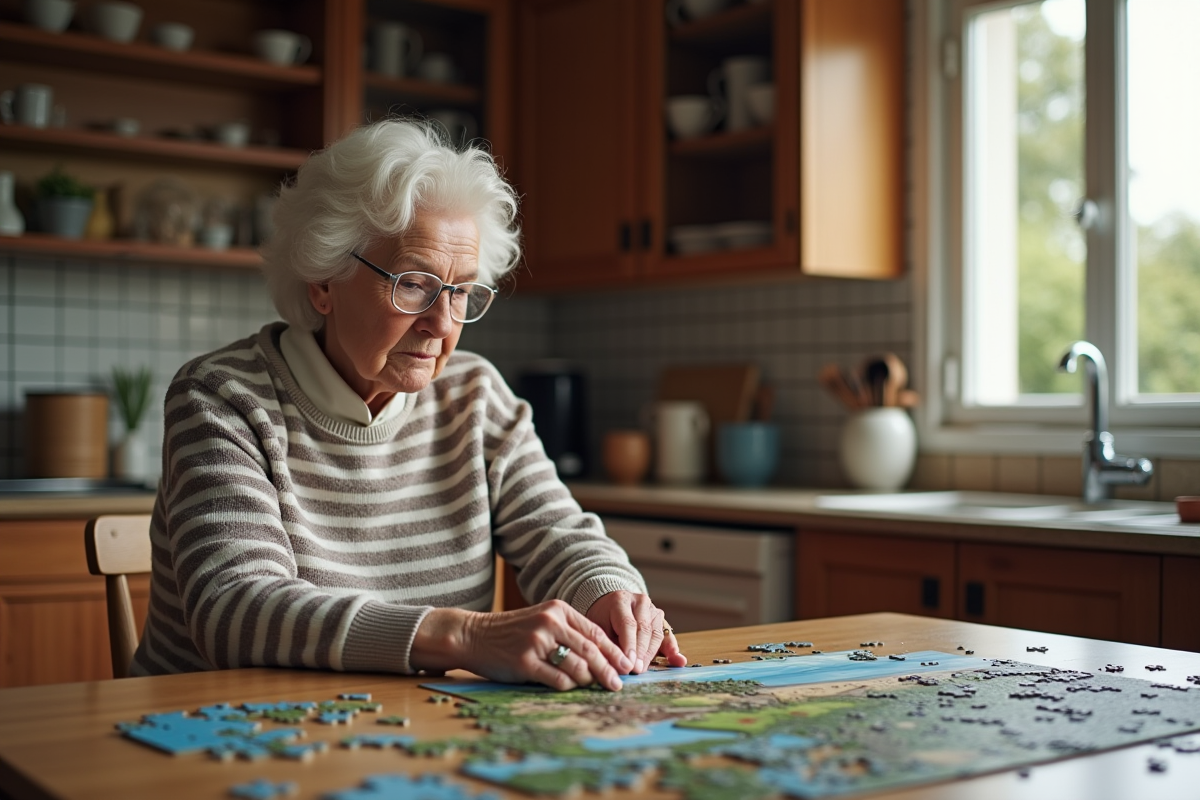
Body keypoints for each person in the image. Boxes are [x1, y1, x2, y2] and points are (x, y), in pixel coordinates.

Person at [129, 119, 686, 691]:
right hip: (220, 739)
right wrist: (467, 637)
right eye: (413, 284)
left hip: (409, 738)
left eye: (462, 291)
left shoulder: (475, 396)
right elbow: (235, 608)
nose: (443, 324)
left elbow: (561, 534)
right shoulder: (223, 398)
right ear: (323, 280)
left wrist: (611, 591)